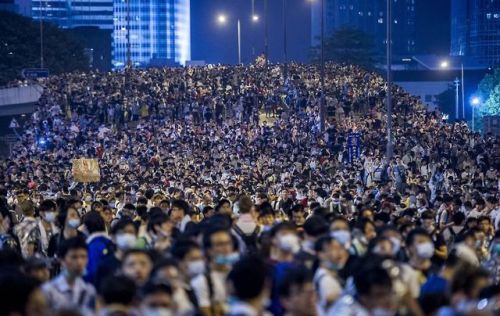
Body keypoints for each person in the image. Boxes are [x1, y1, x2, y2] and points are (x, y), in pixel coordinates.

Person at [42, 236, 96, 315]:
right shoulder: (48, 291)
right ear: (62, 260)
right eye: (74, 257)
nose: (79, 262)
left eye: (83, 257)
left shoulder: (89, 290)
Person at [191, 228, 238, 316]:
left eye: (228, 243)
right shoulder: (202, 281)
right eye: (220, 244)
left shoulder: (239, 274)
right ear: (209, 250)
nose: (226, 248)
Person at [328, 259, 395, 316]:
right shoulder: (345, 311)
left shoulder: (379, 310)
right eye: (380, 295)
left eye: (389, 293)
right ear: (363, 296)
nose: (387, 299)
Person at [313, 236, 347, 315]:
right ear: (320, 254)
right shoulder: (326, 280)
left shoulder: (329, 275)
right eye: (333, 249)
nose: (340, 253)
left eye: (340, 248)